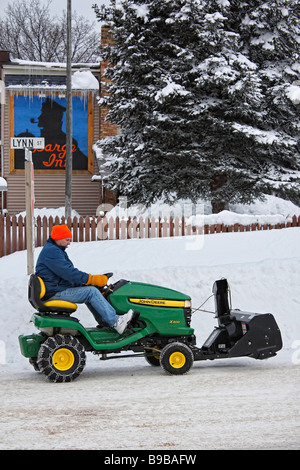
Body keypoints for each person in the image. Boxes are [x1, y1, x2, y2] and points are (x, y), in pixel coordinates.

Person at [35, 224, 134, 334]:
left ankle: (105, 322)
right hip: (54, 293)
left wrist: (86, 282)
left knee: (90, 289)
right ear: (58, 238)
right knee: (91, 292)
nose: (69, 243)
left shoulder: (55, 250)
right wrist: (91, 279)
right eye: (67, 240)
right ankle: (116, 322)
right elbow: (69, 273)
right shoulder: (52, 252)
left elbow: (66, 275)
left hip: (55, 289)